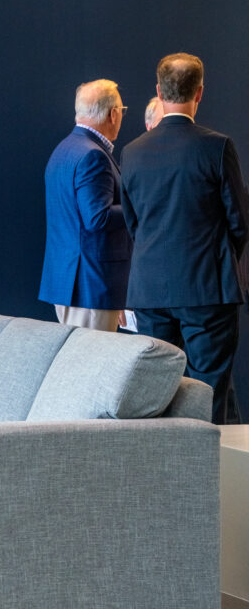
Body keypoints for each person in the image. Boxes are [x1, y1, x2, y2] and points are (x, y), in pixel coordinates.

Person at [121, 52, 249, 424]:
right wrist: (220, 259)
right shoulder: (217, 146)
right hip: (207, 288)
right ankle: (210, 477)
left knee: (157, 393)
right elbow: (239, 221)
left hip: (150, 290)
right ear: (200, 93)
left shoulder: (132, 152)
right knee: (209, 391)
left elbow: (134, 223)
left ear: (158, 92)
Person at [38, 79, 132, 332]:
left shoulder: (63, 150)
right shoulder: (93, 155)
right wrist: (140, 210)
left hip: (69, 283)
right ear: (113, 114)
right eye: (122, 111)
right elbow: (97, 218)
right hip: (92, 287)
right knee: (92, 368)